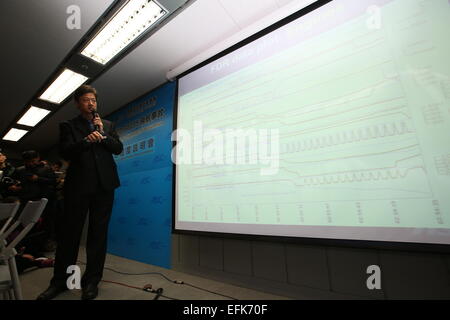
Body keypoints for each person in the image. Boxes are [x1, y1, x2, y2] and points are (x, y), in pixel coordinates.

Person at [37, 85, 123, 300]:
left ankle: (91, 281)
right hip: (78, 186)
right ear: (77, 103)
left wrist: (103, 135)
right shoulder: (68, 125)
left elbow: (118, 148)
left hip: (105, 186)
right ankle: (61, 282)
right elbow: (65, 152)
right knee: (69, 235)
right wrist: (85, 141)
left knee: (98, 235)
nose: (91, 103)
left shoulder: (108, 125)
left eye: (93, 99)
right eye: (86, 100)